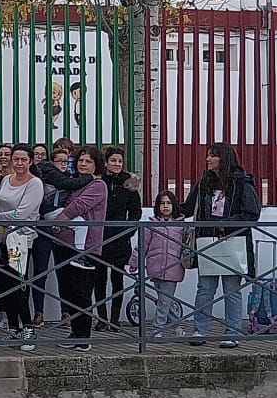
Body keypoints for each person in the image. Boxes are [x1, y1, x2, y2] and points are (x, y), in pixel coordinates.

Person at [184, 142, 260, 348]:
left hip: (232, 242)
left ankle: (232, 332)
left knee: (231, 290)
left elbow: (252, 214)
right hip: (207, 242)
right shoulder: (204, 182)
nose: (208, 159)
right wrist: (165, 206)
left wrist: (224, 224)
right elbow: (187, 208)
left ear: (223, 158)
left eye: (212, 156)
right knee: (205, 289)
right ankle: (200, 331)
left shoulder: (242, 182)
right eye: (208, 155)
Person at [54, 147, 109, 351]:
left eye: (88, 161)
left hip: (85, 247)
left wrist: (58, 220)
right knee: (67, 290)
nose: (83, 164)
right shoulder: (77, 183)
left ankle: (83, 336)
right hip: (64, 242)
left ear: (96, 165)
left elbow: (78, 206)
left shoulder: (98, 185)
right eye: (81, 160)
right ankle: (75, 333)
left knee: (81, 291)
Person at [0, 144, 46, 350]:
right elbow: (0, 202)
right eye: (16, 159)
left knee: (18, 283)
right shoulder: (6, 179)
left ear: (31, 161)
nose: (20, 163)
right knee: (5, 284)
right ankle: (14, 328)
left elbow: (22, 214)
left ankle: (28, 329)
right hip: (2, 237)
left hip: (21, 239)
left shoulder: (35, 184)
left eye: (24, 159)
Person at [133, 191, 188, 337]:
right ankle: (177, 326)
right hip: (155, 266)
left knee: (164, 300)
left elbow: (187, 246)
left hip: (173, 267)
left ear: (174, 205)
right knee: (165, 301)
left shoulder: (182, 225)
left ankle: (158, 329)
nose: (165, 206)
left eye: (168, 203)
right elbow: (142, 245)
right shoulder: (151, 224)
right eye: (162, 203)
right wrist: (135, 262)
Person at [101, 148, 142, 327]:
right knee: (98, 279)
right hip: (99, 237)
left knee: (117, 279)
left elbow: (135, 212)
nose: (117, 164)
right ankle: (101, 318)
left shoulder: (130, 183)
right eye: (113, 160)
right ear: (106, 162)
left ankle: (115, 319)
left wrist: (128, 231)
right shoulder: (99, 180)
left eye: (119, 161)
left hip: (120, 239)